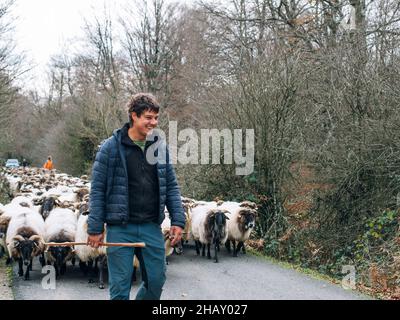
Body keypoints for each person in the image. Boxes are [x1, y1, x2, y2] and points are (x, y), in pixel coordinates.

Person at [87, 93, 186, 300]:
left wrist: (178, 220)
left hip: (151, 226)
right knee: (120, 288)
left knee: (156, 282)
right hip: (120, 228)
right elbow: (97, 189)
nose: (154, 123)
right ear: (134, 116)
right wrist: (95, 228)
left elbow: (171, 186)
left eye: (156, 118)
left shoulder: (159, 147)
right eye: (148, 117)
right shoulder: (110, 148)